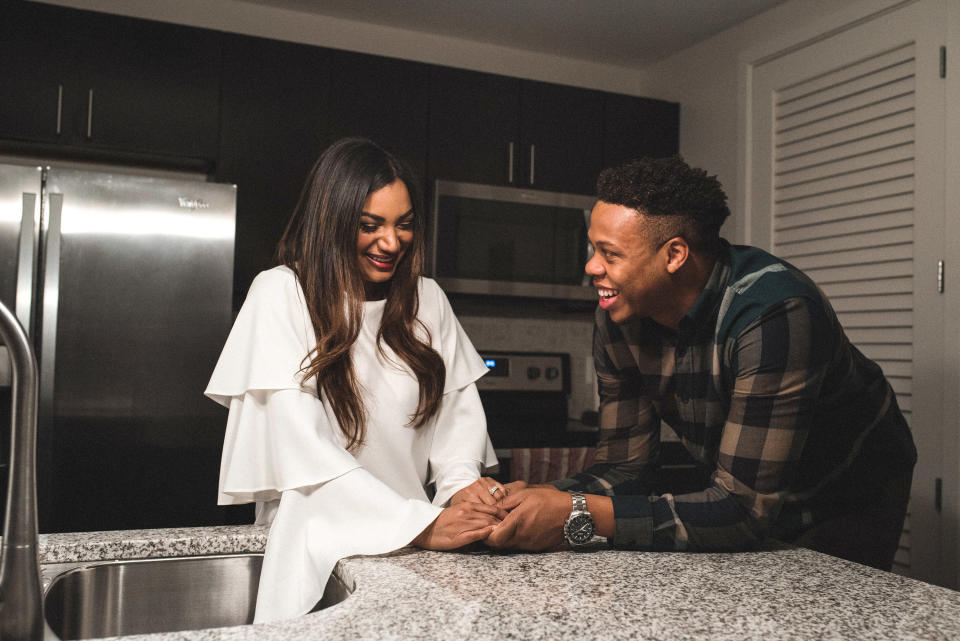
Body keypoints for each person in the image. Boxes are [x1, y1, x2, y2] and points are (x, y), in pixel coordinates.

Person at [487, 155, 916, 571]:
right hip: (745, 497)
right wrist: (521, 499)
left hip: (847, 487)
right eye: (592, 249)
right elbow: (624, 467)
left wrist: (576, 510)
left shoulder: (774, 313)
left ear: (674, 255)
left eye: (609, 253)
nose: (591, 267)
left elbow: (742, 512)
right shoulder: (619, 313)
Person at [205, 138, 507, 623]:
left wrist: (461, 488)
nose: (392, 243)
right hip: (318, 559)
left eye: (404, 225)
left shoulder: (427, 299)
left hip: (418, 556)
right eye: (370, 226)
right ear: (332, 221)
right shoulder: (281, 293)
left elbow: (457, 422)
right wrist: (421, 525)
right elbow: (302, 451)